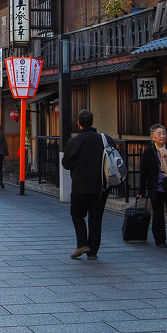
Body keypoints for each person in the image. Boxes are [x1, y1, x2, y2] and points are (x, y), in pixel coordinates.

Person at [61, 109, 114, 260]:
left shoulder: (73, 142)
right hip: (101, 186)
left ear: (79, 123)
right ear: (92, 122)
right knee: (96, 218)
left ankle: (82, 243)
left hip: (80, 185)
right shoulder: (105, 140)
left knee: (77, 214)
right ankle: (93, 252)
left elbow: (66, 164)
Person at [138, 123, 167, 249]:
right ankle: (160, 239)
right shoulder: (149, 152)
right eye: (159, 134)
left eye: (163, 133)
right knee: (158, 214)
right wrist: (141, 190)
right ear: (153, 137)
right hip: (156, 187)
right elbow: (144, 172)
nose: (162, 136)